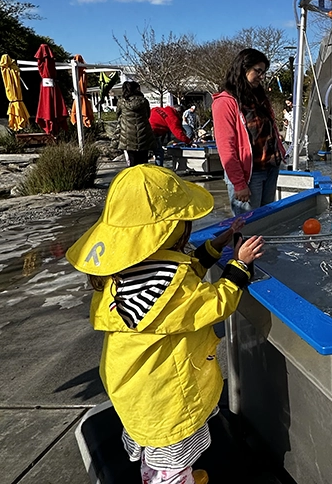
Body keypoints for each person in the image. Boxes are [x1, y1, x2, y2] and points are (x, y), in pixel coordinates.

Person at [66, 165, 264, 484]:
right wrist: (239, 266)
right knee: (172, 464)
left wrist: (217, 244)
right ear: (169, 229)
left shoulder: (123, 273)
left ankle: (152, 476)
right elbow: (213, 303)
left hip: (135, 389)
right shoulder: (170, 285)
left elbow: (181, 278)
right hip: (165, 394)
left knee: (155, 453)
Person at [212, 48, 286, 213]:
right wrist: (239, 183)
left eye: (264, 72)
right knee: (247, 226)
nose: (262, 76)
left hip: (270, 167)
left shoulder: (259, 98)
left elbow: (270, 130)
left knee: (265, 221)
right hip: (249, 175)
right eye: (258, 71)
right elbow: (226, 147)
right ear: (243, 69)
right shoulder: (226, 102)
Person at [114, 81, 155, 166]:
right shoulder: (144, 101)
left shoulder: (121, 102)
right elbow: (148, 115)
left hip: (127, 135)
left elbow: (118, 115)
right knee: (144, 162)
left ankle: (133, 178)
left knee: (132, 161)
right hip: (143, 133)